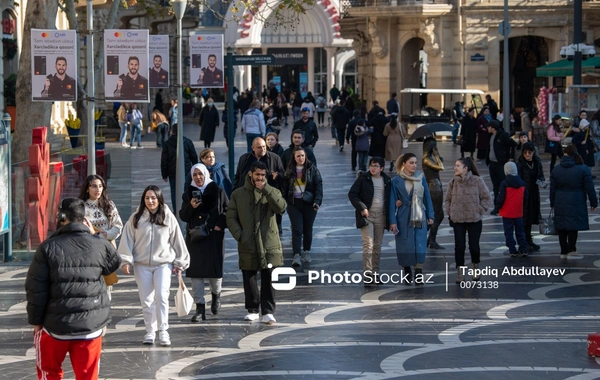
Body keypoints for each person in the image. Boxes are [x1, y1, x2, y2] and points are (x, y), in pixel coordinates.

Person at [26, 197, 121, 380]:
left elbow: (35, 289)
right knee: (87, 376)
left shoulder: (47, 247)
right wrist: (94, 234)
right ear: (85, 218)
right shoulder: (99, 244)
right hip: (90, 326)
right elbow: (113, 263)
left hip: (55, 326)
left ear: (61, 216)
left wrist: (37, 321)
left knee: (50, 373)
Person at [118, 185, 190, 346]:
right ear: (143, 200)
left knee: (162, 297)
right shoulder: (136, 218)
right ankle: (150, 331)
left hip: (163, 264)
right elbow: (127, 240)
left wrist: (180, 261)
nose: (150, 201)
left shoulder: (167, 216)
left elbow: (177, 239)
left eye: (153, 198)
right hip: (141, 265)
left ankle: (163, 331)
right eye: (147, 198)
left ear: (159, 199)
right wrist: (126, 260)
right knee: (147, 299)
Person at [226, 161, 287, 324]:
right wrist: (240, 235)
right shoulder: (238, 194)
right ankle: (252, 309)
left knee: (269, 276)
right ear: (250, 175)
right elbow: (230, 216)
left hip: (269, 241)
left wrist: (266, 189)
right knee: (249, 275)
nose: (260, 178)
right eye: (257, 175)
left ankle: (268, 311)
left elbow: (281, 207)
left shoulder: (272, 191)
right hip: (248, 241)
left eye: (263, 175)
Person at [179, 164, 229, 322]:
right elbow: (183, 216)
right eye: (195, 175)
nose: (198, 178)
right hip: (195, 238)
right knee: (196, 274)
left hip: (213, 237)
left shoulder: (218, 191)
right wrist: (191, 207)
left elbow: (228, 210)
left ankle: (216, 295)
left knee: (214, 274)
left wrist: (220, 224)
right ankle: (200, 308)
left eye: (201, 174)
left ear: (206, 174)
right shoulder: (188, 194)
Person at [444, 158, 492, 283]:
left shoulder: (477, 181)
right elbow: (447, 199)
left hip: (474, 219)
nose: (455, 168)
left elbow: (487, 197)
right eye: (455, 165)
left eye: (458, 166)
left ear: (465, 168)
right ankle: (460, 273)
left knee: (474, 247)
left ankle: (475, 268)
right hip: (458, 219)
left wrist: (479, 209)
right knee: (459, 247)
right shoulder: (453, 182)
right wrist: (450, 212)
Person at [389, 153, 434, 286]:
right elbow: (392, 202)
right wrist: (392, 221)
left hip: (420, 213)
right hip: (403, 214)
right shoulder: (396, 181)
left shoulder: (421, 178)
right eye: (411, 162)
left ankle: (419, 270)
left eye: (415, 162)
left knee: (419, 241)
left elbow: (427, 197)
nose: (414, 165)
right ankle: (407, 269)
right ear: (404, 164)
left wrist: (430, 215)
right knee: (404, 242)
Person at [348, 156, 391, 284]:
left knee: (377, 246)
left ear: (382, 168)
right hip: (367, 216)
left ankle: (375, 273)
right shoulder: (363, 179)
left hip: (381, 216)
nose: (373, 168)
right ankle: (367, 274)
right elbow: (352, 194)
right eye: (372, 165)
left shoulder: (387, 180)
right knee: (368, 244)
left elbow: (391, 197)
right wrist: (362, 207)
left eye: (376, 166)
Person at [79, 174, 123, 298]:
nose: (97, 189)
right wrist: (95, 235)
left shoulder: (109, 205)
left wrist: (107, 234)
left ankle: (105, 313)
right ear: (87, 188)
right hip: (87, 252)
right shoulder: (81, 207)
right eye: (94, 186)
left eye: (100, 186)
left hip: (106, 251)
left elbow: (118, 226)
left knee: (107, 287)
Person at [550, 144, 598, 258]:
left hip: (560, 199)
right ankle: (572, 249)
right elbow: (589, 187)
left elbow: (552, 188)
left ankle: (563, 250)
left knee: (561, 225)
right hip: (577, 199)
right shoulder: (583, 168)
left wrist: (552, 202)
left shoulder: (556, 169)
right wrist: (593, 202)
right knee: (573, 225)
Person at [282, 146, 323, 266]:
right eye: (298, 156)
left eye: (302, 156)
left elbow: (319, 187)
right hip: (294, 203)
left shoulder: (313, 170)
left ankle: (306, 251)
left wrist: (317, 201)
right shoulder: (289, 171)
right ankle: (296, 255)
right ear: (294, 158)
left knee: (307, 229)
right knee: (297, 229)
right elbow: (284, 189)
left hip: (309, 203)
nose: (301, 158)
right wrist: (284, 203)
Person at [161, 124, 199, 211]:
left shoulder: (167, 144)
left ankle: (176, 209)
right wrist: (195, 168)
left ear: (172, 131)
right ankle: (185, 208)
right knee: (186, 190)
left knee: (174, 191)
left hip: (172, 171)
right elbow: (193, 156)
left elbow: (164, 160)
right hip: (186, 170)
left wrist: (164, 174)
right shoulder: (187, 142)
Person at [495, 162, 530, 257]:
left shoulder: (504, 183)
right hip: (518, 211)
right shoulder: (522, 183)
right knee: (520, 231)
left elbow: (501, 198)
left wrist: (497, 207)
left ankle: (512, 249)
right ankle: (523, 248)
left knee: (509, 232)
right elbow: (526, 198)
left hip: (507, 212)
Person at [516, 142, 545, 251]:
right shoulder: (520, 164)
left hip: (534, 193)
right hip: (523, 194)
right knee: (524, 218)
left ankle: (529, 240)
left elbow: (541, 175)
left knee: (532, 217)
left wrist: (541, 182)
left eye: (530, 152)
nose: (527, 154)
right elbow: (517, 179)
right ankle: (524, 242)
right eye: (525, 152)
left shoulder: (537, 162)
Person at [486, 120, 517, 214]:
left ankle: (504, 205)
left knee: (502, 186)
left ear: (493, 127)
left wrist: (510, 157)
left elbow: (513, 144)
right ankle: (497, 207)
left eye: (489, 126)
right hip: (492, 164)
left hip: (501, 164)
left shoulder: (503, 135)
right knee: (495, 186)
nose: (487, 128)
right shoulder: (491, 136)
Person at [422, 137, 445, 250]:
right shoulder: (426, 159)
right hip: (433, 188)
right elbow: (441, 167)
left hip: (437, 186)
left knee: (440, 215)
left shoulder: (430, 158)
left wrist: (437, 155)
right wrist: (436, 155)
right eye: (434, 146)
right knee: (436, 215)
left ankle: (429, 239)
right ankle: (432, 241)